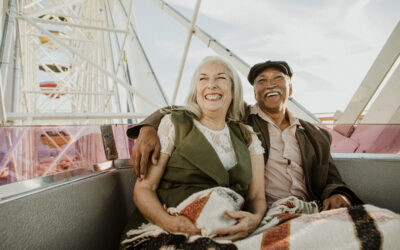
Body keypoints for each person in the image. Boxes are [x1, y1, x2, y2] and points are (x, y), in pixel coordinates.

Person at [127, 60, 362, 212]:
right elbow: (191, 108)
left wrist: (339, 194)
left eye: (278, 78)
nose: (270, 84)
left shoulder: (317, 135)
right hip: (268, 210)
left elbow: (332, 178)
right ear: (254, 92)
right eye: (262, 81)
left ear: (290, 88)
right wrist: (148, 127)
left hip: (311, 208)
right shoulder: (242, 121)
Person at [123, 56, 267, 242]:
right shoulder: (175, 124)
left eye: (221, 78)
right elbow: (144, 189)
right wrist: (169, 223)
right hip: (172, 227)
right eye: (203, 78)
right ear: (196, 90)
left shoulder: (248, 136)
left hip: (231, 228)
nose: (211, 85)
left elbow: (257, 197)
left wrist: (254, 220)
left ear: (233, 89)